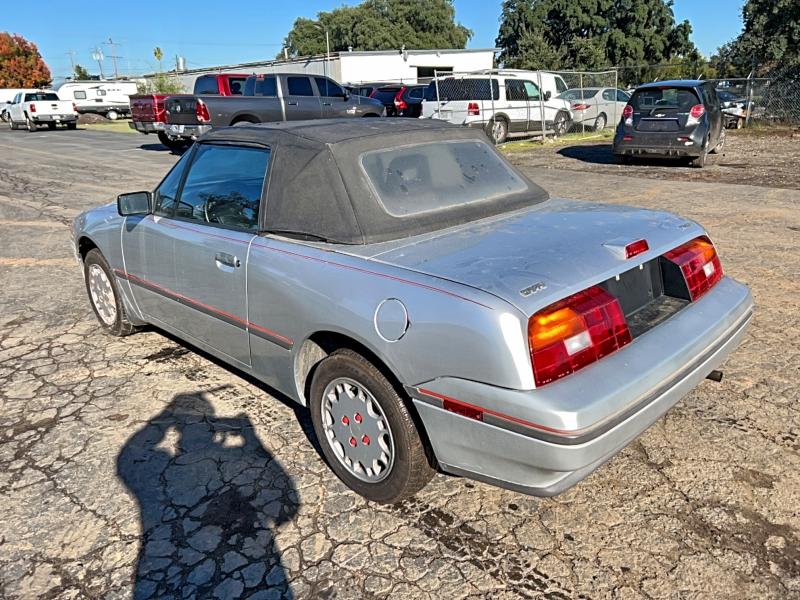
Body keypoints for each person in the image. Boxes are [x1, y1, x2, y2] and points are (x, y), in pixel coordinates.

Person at [117, 391, 298, 599]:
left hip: (163, 562)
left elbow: (129, 455)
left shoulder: (161, 468)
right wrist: (250, 436)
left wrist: (167, 416)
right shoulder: (183, 466)